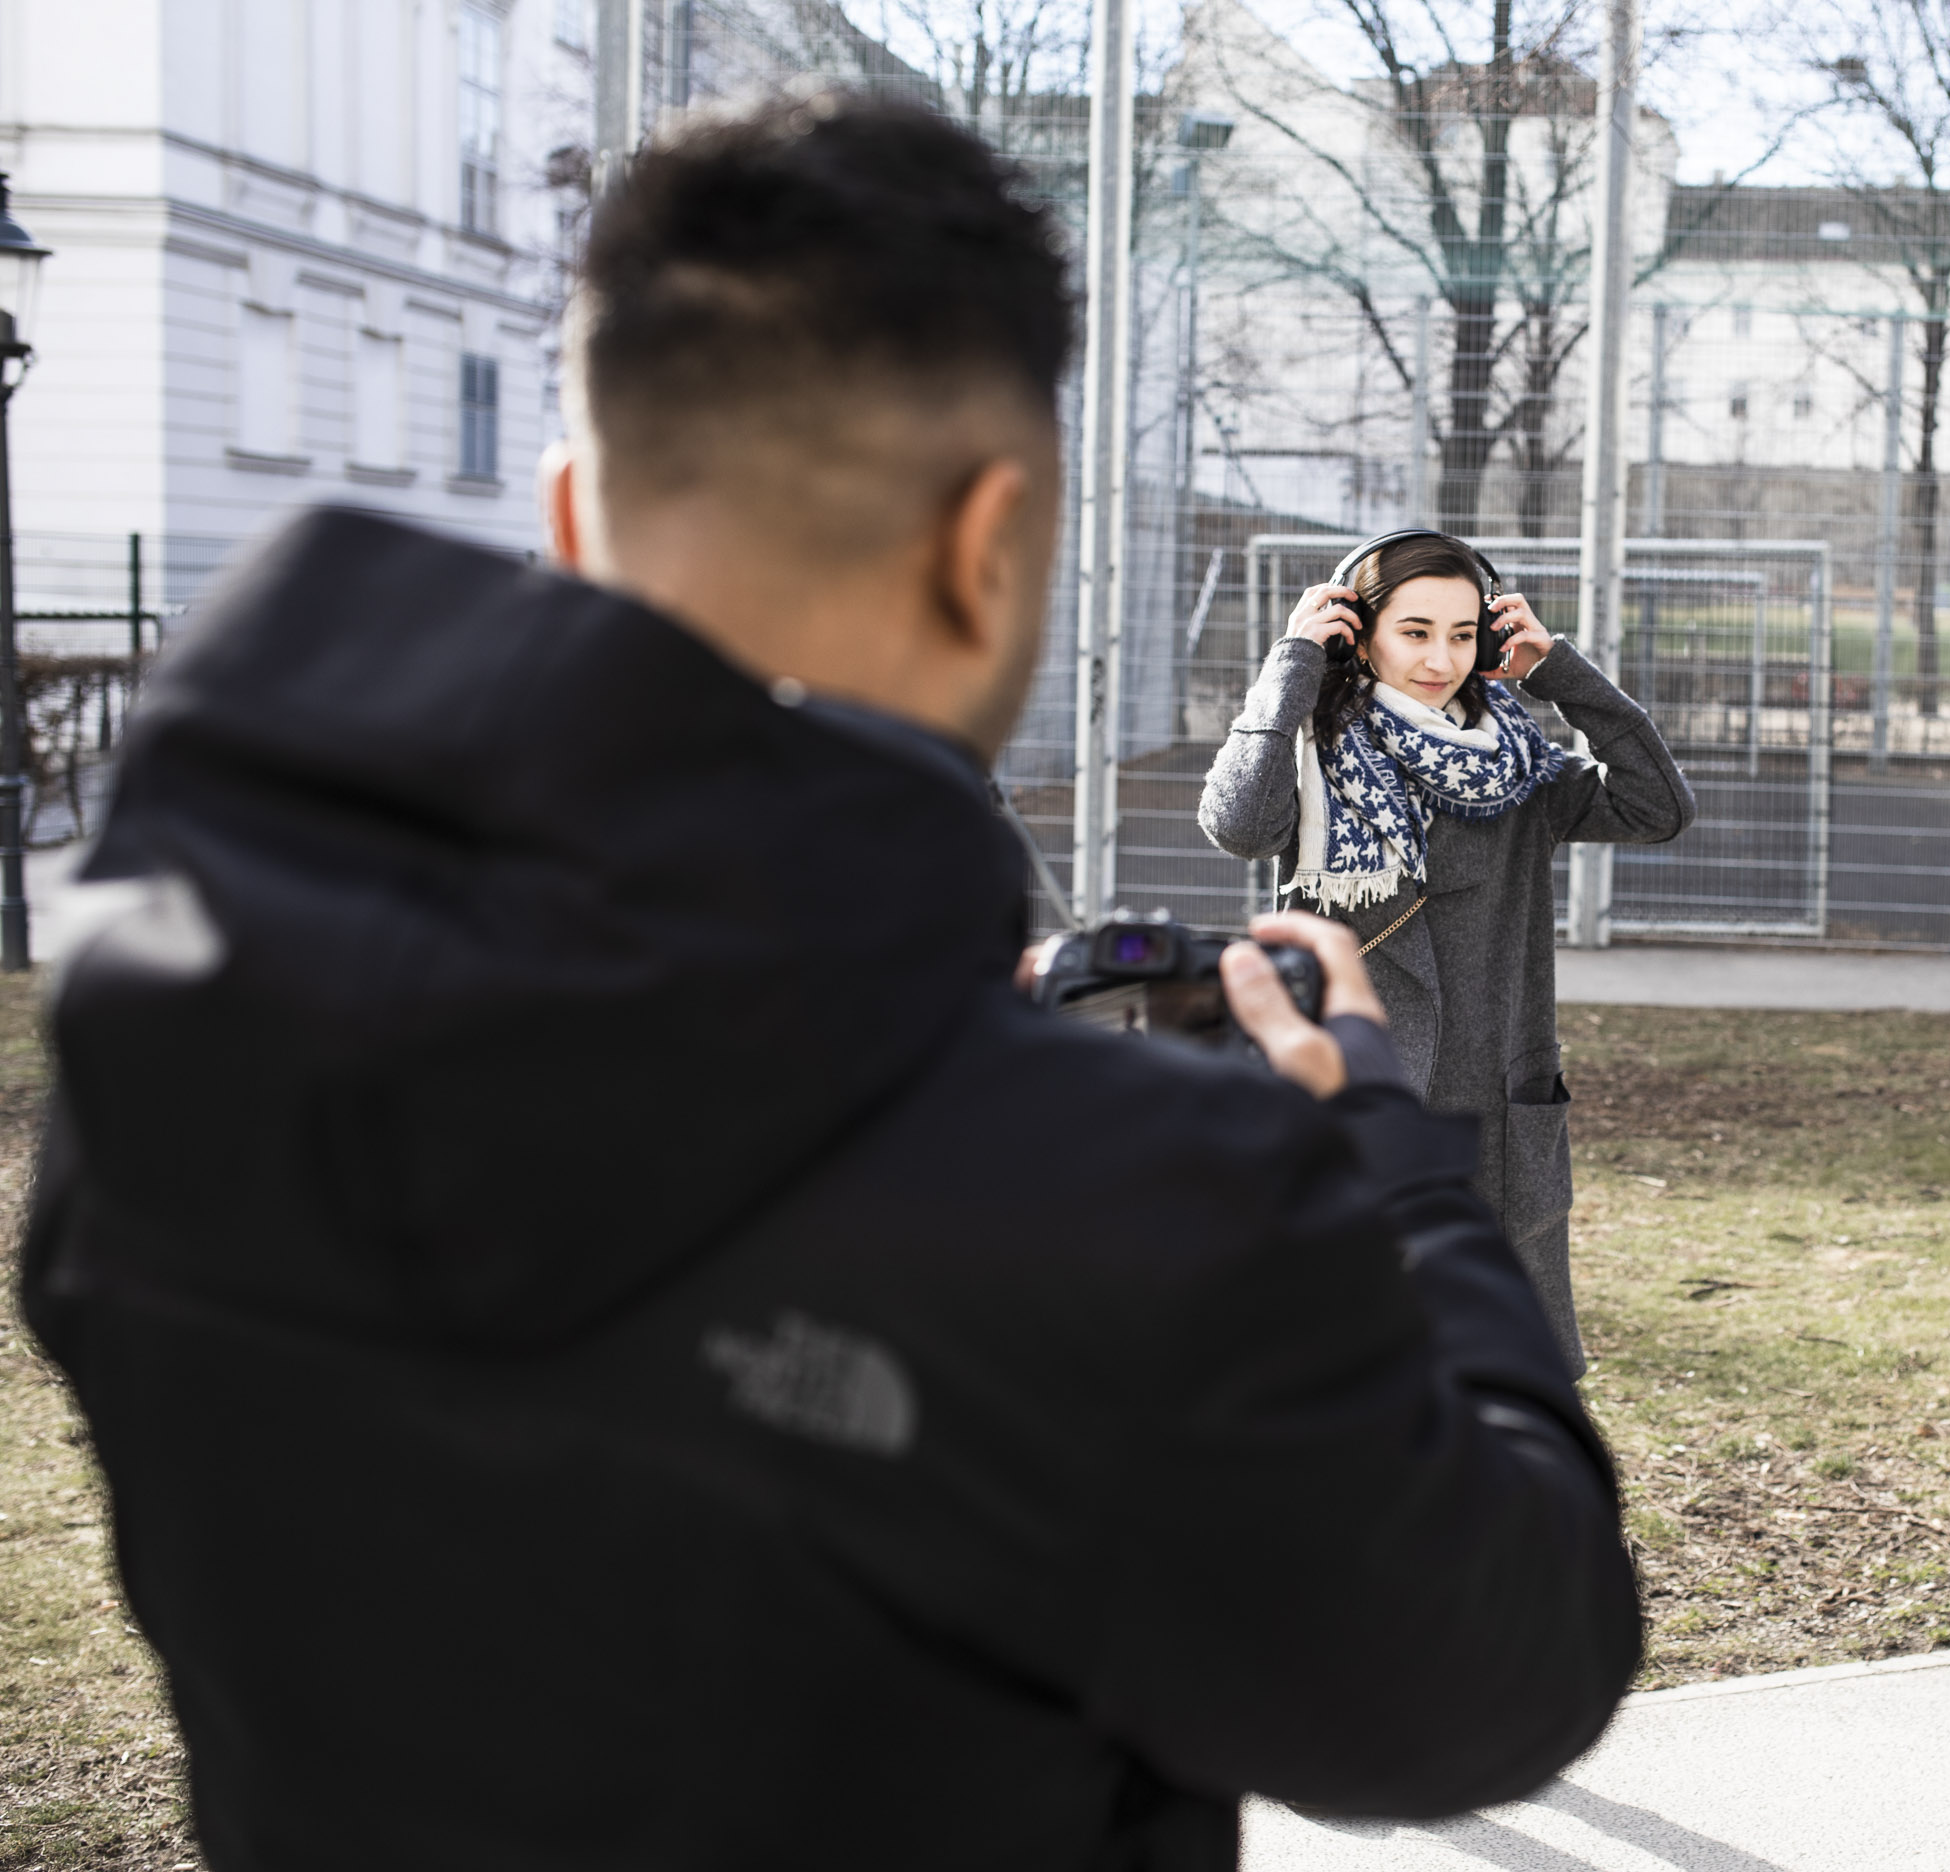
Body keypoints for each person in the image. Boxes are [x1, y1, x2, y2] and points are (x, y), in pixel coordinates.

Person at [19, 95, 1639, 1868]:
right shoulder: (1127, 1202)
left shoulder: (175, 1028)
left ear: (570, 515)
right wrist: (1390, 1178)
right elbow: (1494, 1668)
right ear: (989, 542)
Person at [1198, 532, 1694, 1373]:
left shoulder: (1521, 769)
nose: (1440, 659)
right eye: (1416, 631)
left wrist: (1559, 673)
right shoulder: (1310, 753)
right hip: (1349, 1095)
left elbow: (1659, 808)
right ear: (1359, 636)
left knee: (1498, 1373)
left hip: (1492, 1115)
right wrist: (1292, 667)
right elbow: (1240, 826)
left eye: (1464, 634)